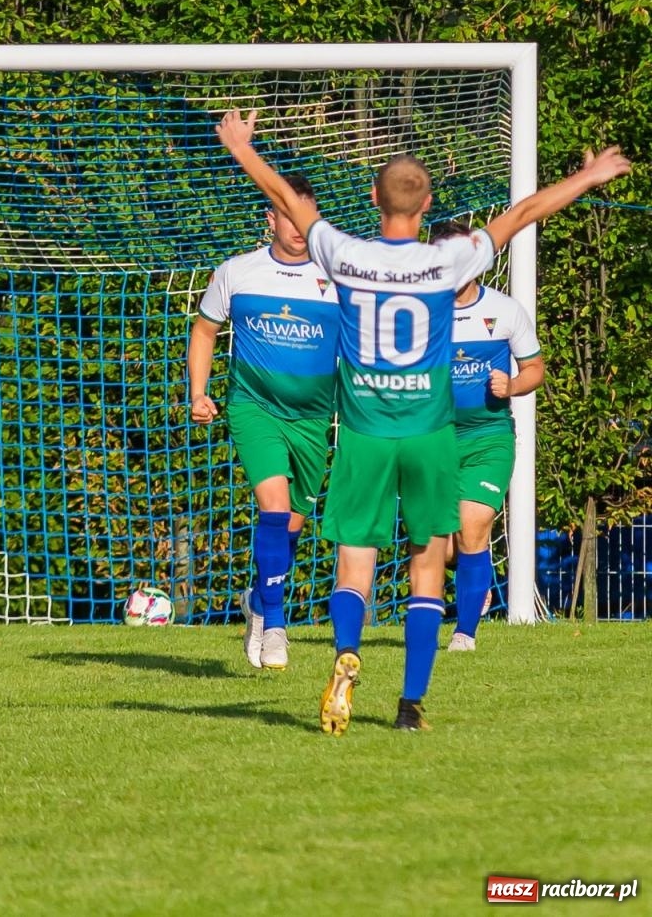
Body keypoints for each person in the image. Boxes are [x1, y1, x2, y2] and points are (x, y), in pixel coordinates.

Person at [218, 108, 627, 734]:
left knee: (355, 560)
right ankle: (410, 706)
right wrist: (588, 177)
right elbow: (523, 213)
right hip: (430, 436)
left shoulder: (344, 253)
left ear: (373, 198)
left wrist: (243, 149)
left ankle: (346, 652)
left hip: (365, 433)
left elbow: (287, 200)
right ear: (428, 203)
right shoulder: (449, 261)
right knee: (427, 564)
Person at [190, 175, 339, 671]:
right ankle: (275, 625)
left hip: (314, 418)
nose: (297, 227)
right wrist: (198, 392)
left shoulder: (338, 276)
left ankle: (257, 599)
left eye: (305, 217)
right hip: (254, 408)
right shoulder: (237, 272)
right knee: (273, 508)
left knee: (292, 524)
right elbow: (205, 330)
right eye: (287, 216)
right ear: (270, 219)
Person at [430, 219, 545, 652]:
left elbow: (535, 369)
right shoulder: (419, 313)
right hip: (433, 440)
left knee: (473, 526)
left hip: (488, 437)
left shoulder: (505, 310)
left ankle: (464, 634)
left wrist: (511, 385)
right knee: (440, 547)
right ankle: (475, 579)